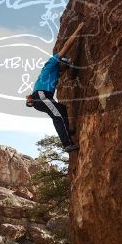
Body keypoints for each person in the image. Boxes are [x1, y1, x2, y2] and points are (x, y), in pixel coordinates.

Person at [27, 23, 83, 152]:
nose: (64, 70)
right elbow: (67, 46)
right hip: (41, 96)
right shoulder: (52, 63)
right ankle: (67, 144)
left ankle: (67, 130)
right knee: (58, 116)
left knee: (62, 109)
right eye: (65, 66)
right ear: (60, 62)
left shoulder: (55, 72)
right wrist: (78, 29)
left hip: (42, 97)